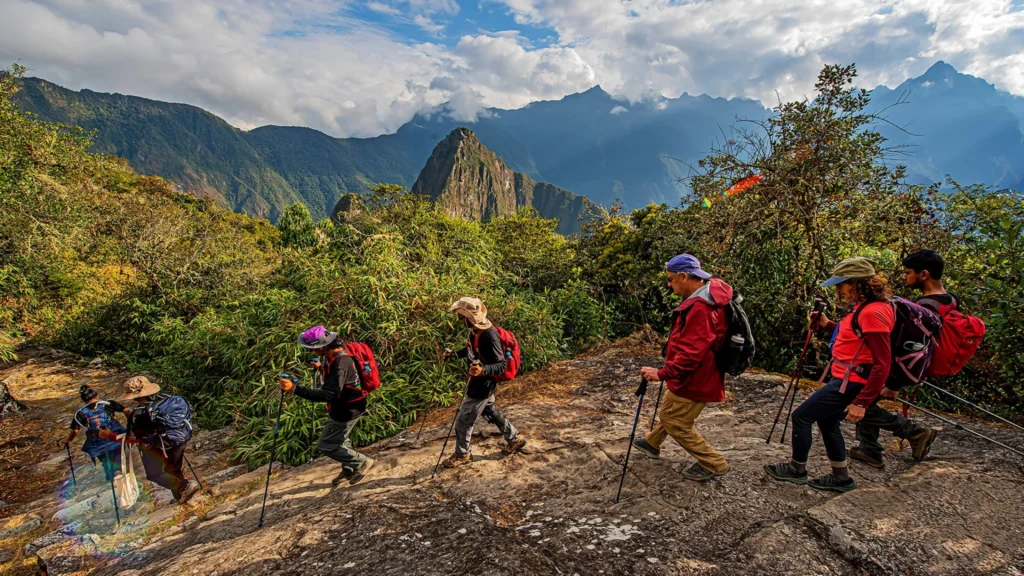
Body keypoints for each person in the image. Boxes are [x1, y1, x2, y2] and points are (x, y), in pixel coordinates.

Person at [766, 257, 894, 492]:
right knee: (827, 421)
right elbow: (855, 336)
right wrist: (827, 325)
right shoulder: (865, 309)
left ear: (857, 283)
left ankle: (797, 469)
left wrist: (862, 402)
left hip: (853, 382)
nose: (839, 290)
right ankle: (840, 477)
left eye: (841, 284)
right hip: (846, 379)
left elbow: (882, 362)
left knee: (801, 417)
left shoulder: (872, 312)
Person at [630, 254, 732, 482]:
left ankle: (714, 462)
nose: (669, 284)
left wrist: (662, 373)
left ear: (684, 276)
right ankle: (652, 442)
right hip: (696, 375)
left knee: (675, 419)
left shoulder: (701, 308)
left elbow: (691, 354)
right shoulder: (710, 295)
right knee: (671, 407)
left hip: (695, 377)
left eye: (671, 279)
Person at [849, 250, 943, 468]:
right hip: (907, 364)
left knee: (859, 401)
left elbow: (909, 342)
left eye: (907, 272)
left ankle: (914, 432)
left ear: (924, 274)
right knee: (865, 399)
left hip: (897, 366)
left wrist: (894, 382)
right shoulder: (945, 301)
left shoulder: (929, 306)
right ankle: (869, 449)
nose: (904, 277)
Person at [280, 326, 374, 486]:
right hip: (345, 406)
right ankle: (350, 469)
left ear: (322, 347)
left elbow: (327, 394)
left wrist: (294, 389)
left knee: (326, 444)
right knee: (341, 438)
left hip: (347, 410)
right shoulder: (333, 355)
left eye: (313, 348)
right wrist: (320, 366)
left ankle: (360, 463)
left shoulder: (341, 363)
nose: (312, 352)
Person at [441, 297, 526, 468]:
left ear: (469, 317)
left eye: (460, 317)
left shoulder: (489, 335)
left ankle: (462, 454)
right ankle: (514, 438)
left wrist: (483, 371)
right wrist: (455, 355)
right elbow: (472, 350)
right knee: (490, 412)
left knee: (463, 421)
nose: (459, 320)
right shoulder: (475, 330)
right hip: (479, 381)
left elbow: (501, 364)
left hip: (483, 385)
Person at [98, 376, 200, 505]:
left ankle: (184, 487)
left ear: (134, 396)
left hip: (159, 445)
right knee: (174, 469)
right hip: (180, 438)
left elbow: (132, 439)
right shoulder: (168, 398)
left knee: (155, 475)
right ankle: (181, 497)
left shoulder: (139, 413)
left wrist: (109, 435)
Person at [60, 385, 126, 482]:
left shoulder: (80, 413)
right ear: (97, 396)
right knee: (119, 458)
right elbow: (127, 410)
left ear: (83, 400)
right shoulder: (108, 404)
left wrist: (68, 439)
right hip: (114, 438)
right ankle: (120, 475)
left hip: (98, 443)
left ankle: (112, 479)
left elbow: (75, 431)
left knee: (106, 462)